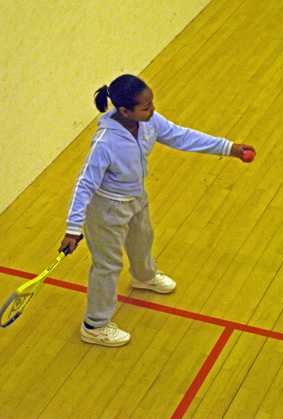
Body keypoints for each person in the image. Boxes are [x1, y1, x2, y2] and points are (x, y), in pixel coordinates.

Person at [58, 74, 256, 347]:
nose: (152, 109)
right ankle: (94, 325)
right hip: (106, 210)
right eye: (146, 106)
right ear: (125, 110)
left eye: (151, 102)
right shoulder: (105, 143)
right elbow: (85, 184)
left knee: (142, 239)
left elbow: (180, 135)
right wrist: (72, 228)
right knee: (107, 265)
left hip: (135, 196)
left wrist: (228, 147)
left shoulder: (148, 122)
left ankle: (144, 277)